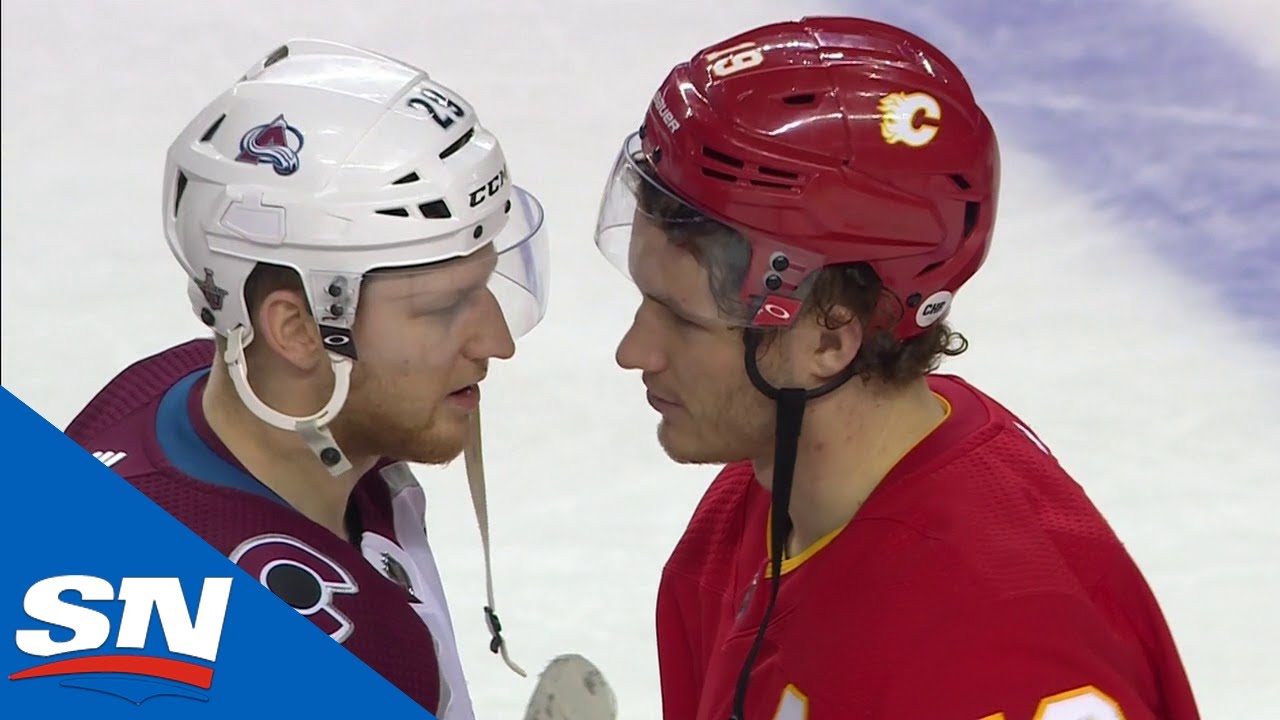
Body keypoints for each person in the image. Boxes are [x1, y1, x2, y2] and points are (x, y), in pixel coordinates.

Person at [593, 16, 1201, 720]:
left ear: (830, 338)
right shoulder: (752, 511)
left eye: (683, 318)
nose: (633, 351)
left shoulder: (984, 654)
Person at [65, 39, 550, 718]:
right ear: (295, 329)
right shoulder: (278, 665)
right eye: (444, 308)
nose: (497, 343)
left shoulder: (169, 387)